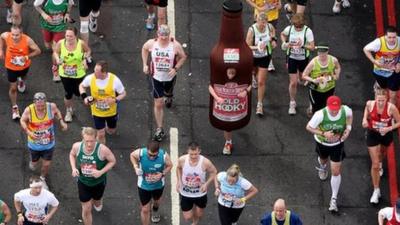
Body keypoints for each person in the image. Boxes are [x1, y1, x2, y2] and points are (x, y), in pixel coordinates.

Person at [306, 95, 352, 212]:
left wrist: (348, 129)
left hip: (337, 144)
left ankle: (333, 199)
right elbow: (309, 127)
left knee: (336, 171)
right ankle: (322, 166)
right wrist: (323, 133)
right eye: (332, 109)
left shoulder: (345, 110)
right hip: (322, 143)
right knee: (323, 159)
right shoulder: (320, 115)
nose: (334, 111)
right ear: (327, 106)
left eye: (336, 109)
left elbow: (350, 116)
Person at [141, 24, 187, 141]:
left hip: (170, 78)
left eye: (166, 37)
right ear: (158, 34)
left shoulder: (175, 46)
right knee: (158, 103)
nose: (163, 39)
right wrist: (145, 64)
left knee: (168, 93)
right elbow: (144, 49)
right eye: (162, 36)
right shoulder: (152, 43)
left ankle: (169, 97)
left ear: (169, 35)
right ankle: (160, 129)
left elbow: (183, 57)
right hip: (156, 78)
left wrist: (175, 68)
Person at [20, 92, 68, 190]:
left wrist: (61, 121)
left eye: (42, 105)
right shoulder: (29, 110)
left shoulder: (51, 107)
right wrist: (28, 132)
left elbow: (57, 112)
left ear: (45, 102)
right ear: (34, 103)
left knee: (46, 164)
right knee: (34, 163)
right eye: (38, 105)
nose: (41, 107)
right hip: (34, 144)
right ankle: (33, 162)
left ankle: (42, 178)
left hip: (49, 143)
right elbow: (22, 120)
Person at [69, 127, 116, 225]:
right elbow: (72, 155)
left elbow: (113, 161)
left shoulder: (103, 149)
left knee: (97, 202)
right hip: (83, 182)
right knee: (86, 209)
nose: (89, 144)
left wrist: (101, 172)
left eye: (92, 141)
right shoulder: (77, 146)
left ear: (96, 138)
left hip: (98, 182)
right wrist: (73, 168)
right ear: (82, 139)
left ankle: (98, 201)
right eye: (87, 141)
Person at [362, 87, 400, 204]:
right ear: (375, 98)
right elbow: (366, 111)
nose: (380, 102)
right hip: (373, 133)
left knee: (381, 154)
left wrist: (389, 128)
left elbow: (399, 122)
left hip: (385, 134)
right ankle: (376, 190)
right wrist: (364, 120)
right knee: (375, 164)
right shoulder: (370, 104)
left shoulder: (391, 108)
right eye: (378, 100)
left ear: (387, 99)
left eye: (383, 100)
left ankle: (380, 163)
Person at [79, 60, 126, 144]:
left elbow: (123, 93)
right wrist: (85, 98)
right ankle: (101, 152)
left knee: (111, 131)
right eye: (94, 70)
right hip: (97, 112)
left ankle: (108, 126)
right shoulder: (90, 78)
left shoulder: (114, 80)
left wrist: (115, 100)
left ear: (104, 73)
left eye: (96, 72)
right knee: (100, 134)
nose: (94, 73)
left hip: (111, 112)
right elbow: (82, 86)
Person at [0, 25, 41, 120]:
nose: (14, 37)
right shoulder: (7, 36)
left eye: (17, 35)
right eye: (13, 35)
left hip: (24, 66)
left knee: (23, 77)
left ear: (21, 34)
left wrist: (25, 57)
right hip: (10, 67)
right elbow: (1, 36)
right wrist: (1, 50)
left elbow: (38, 51)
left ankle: (21, 81)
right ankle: (15, 107)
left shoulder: (27, 40)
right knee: (13, 88)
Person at [209, 67, 251, 155]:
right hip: (226, 105)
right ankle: (228, 142)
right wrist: (217, 98)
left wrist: (245, 92)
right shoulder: (219, 75)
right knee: (227, 126)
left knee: (238, 121)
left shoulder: (243, 74)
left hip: (236, 105)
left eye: (233, 73)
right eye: (229, 73)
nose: (231, 76)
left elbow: (250, 84)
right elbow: (210, 86)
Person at [53, 26, 91, 122]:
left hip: (79, 73)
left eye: (71, 36)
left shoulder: (81, 43)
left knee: (78, 92)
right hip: (65, 74)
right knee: (68, 93)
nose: (68, 38)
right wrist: (58, 59)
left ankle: (85, 99)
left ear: (75, 36)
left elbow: (88, 51)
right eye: (67, 36)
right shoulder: (61, 43)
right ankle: (68, 111)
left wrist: (85, 59)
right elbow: (56, 52)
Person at [130, 141, 173, 225]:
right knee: (145, 210)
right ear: (147, 150)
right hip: (143, 186)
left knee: (156, 202)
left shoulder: (163, 155)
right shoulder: (141, 153)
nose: (152, 157)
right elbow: (132, 155)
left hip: (158, 185)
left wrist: (162, 174)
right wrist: (135, 167)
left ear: (158, 151)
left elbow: (170, 165)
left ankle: (155, 210)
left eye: (154, 155)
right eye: (150, 155)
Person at [280, 13, 314, 115]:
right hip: (292, 58)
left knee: (302, 78)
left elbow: (312, 47)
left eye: (300, 27)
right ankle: (292, 103)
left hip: (303, 58)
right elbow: (282, 34)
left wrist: (303, 45)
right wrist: (285, 43)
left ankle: (300, 77)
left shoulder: (308, 31)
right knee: (293, 82)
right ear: (293, 24)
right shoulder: (289, 29)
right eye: (296, 27)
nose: (298, 29)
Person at [176, 142, 218, 225]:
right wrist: (179, 181)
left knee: (199, 214)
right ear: (188, 151)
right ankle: (193, 211)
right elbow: (178, 168)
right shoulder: (182, 159)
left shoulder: (205, 162)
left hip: (200, 194)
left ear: (199, 151)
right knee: (187, 217)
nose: (193, 156)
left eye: (196, 154)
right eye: (191, 154)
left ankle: (195, 222)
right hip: (185, 193)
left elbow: (214, 172)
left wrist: (206, 184)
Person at [245, 12, 277, 116]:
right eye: (260, 23)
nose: (262, 25)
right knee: (254, 73)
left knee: (261, 82)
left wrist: (273, 42)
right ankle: (253, 76)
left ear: (267, 22)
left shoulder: (270, 27)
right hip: (253, 57)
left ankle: (259, 105)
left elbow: (273, 35)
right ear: (256, 21)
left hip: (264, 57)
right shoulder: (252, 30)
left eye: (264, 23)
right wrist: (257, 47)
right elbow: (246, 46)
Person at [34, 0, 74, 82]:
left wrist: (67, 13)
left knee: (56, 50)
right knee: (47, 45)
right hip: (46, 26)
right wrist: (43, 14)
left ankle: (55, 69)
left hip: (60, 27)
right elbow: (35, 5)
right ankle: (53, 43)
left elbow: (71, 4)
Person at [363, 26, 400, 104]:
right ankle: (378, 85)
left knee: (393, 95)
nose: (392, 40)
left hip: (394, 71)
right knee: (383, 92)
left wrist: (399, 63)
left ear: (396, 36)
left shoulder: (399, 41)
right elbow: (366, 49)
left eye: (394, 37)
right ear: (385, 36)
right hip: (380, 71)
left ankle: (390, 113)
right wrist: (374, 61)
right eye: (389, 37)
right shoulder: (379, 42)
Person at [302, 43, 341, 115]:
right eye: (320, 52)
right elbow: (304, 75)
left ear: (327, 51)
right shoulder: (313, 63)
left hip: (329, 88)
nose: (321, 55)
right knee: (316, 108)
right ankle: (315, 120)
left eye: (323, 53)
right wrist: (313, 80)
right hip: (316, 90)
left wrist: (337, 75)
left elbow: (338, 67)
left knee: (327, 106)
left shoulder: (333, 60)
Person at [245, 0, 281, 72]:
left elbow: (279, 4)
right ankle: (256, 57)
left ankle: (269, 59)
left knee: (270, 39)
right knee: (257, 39)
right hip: (260, 17)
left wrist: (278, 5)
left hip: (273, 17)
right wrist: (258, 8)